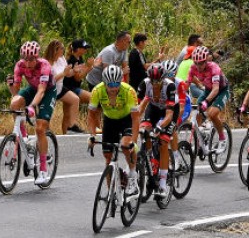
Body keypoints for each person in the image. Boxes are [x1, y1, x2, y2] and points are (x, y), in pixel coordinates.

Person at [88, 65, 142, 197]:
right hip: (110, 120)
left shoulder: (129, 91)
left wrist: (133, 142)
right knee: (108, 158)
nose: (113, 88)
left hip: (126, 120)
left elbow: (136, 119)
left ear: (120, 81)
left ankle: (133, 176)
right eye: (110, 85)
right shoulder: (97, 91)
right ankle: (111, 193)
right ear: (104, 83)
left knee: (125, 145)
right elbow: (91, 115)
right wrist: (92, 135)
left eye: (116, 84)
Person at [8, 41, 56, 187]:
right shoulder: (19, 65)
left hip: (47, 91)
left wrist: (32, 106)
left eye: (31, 60)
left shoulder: (44, 66)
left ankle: (42, 169)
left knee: (40, 128)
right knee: (14, 104)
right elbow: (15, 93)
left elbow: (41, 90)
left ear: (37, 57)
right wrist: (11, 86)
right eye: (25, 59)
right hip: (32, 88)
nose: (27, 63)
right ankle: (25, 139)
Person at [138, 63, 177, 199]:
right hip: (154, 108)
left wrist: (160, 127)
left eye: (158, 81)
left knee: (163, 143)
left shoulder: (170, 86)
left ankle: (162, 184)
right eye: (153, 81)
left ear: (163, 79)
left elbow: (169, 115)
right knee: (144, 131)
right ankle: (149, 160)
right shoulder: (144, 84)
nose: (155, 84)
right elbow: (138, 109)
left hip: (169, 111)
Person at [187, 46, 231, 153]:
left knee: (212, 114)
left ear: (206, 60)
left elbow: (216, 89)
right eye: (196, 63)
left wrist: (206, 102)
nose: (198, 66)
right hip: (208, 89)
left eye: (201, 63)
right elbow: (187, 83)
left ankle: (222, 138)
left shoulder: (214, 68)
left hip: (221, 91)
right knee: (197, 114)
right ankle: (200, 141)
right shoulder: (193, 68)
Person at [43, 40, 81, 135]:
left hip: (59, 89)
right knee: (47, 116)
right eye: (62, 48)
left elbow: (67, 74)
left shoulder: (61, 58)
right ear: (55, 50)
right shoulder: (46, 63)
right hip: (49, 90)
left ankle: (71, 127)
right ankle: (45, 133)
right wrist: (63, 73)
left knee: (75, 99)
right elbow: (49, 81)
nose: (63, 50)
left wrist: (74, 71)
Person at [62, 39, 93, 133]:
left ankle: (65, 135)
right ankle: (92, 126)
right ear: (78, 49)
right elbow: (78, 78)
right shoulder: (72, 60)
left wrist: (88, 67)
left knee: (67, 114)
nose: (86, 50)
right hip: (70, 88)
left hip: (72, 88)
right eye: (84, 48)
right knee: (93, 98)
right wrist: (89, 67)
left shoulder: (79, 58)